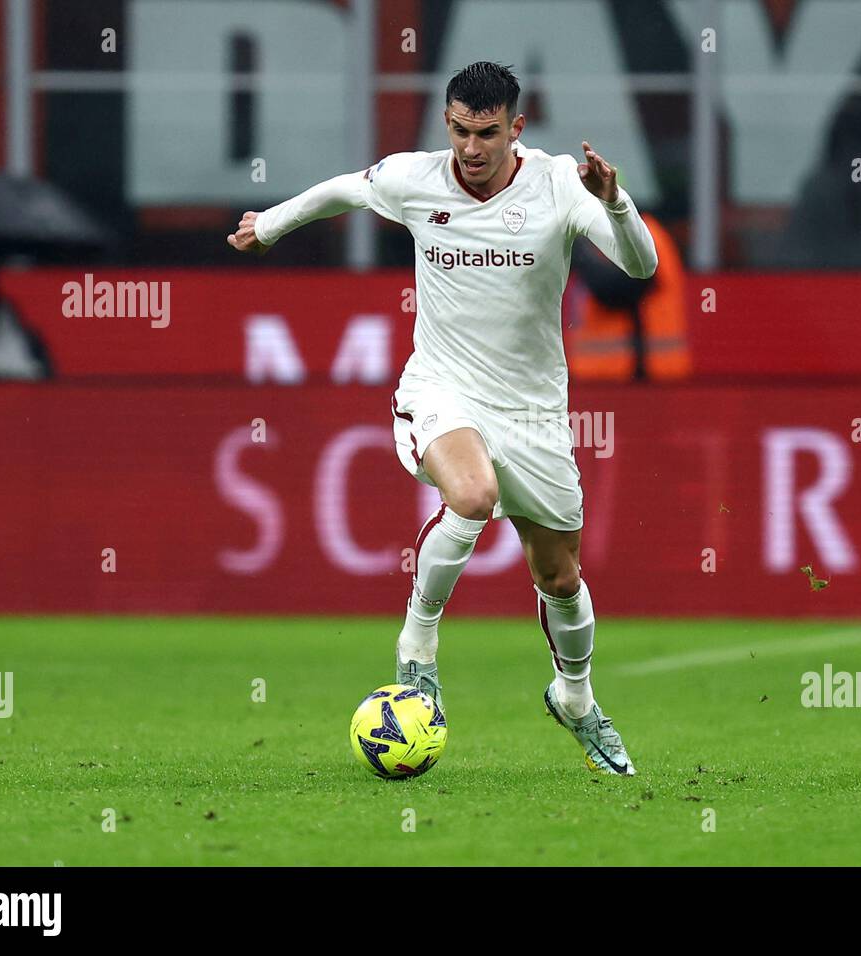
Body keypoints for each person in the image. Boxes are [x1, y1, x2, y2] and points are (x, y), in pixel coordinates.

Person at [227, 61, 657, 775]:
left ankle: (576, 699)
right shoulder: (416, 179)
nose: (471, 148)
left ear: (516, 128)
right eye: (459, 130)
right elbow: (346, 190)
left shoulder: (555, 185)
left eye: (486, 133)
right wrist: (269, 225)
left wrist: (614, 203)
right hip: (443, 389)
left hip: (534, 413)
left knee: (561, 577)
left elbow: (640, 266)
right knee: (472, 495)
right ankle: (417, 648)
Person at [568, 211, 691, 381]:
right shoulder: (598, 235)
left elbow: (616, 290)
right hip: (602, 379)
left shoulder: (640, 233)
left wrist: (579, 250)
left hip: (644, 378)